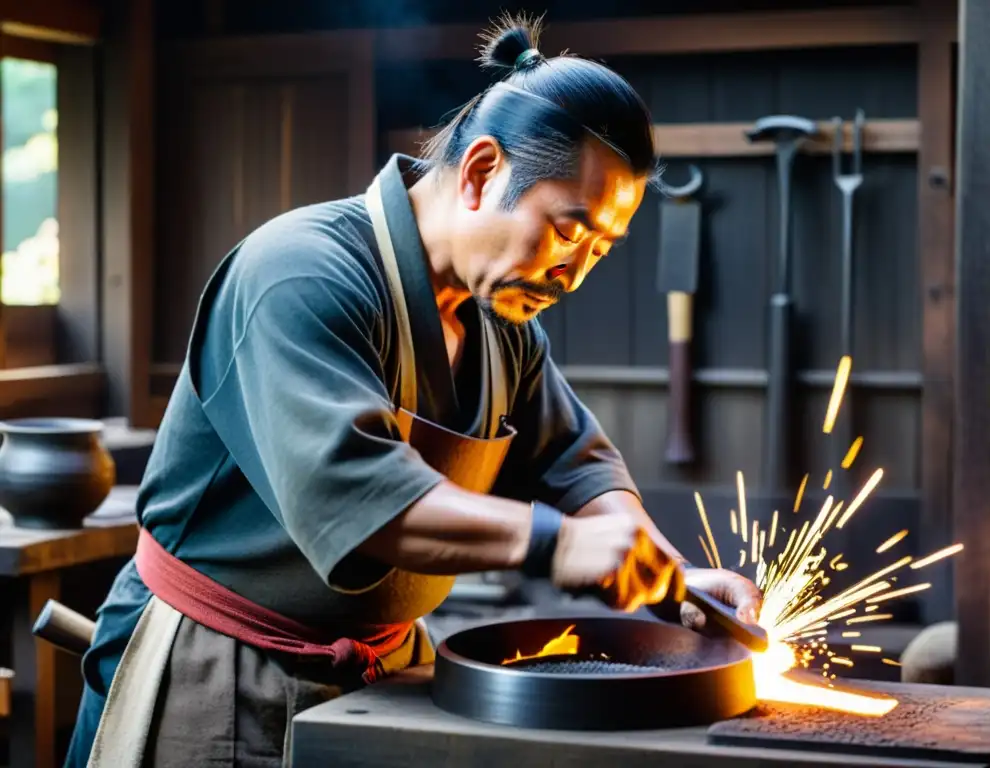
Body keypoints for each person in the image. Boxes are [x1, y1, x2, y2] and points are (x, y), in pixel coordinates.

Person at [66, 13, 761, 768]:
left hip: (390, 670)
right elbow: (355, 497)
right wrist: (555, 544)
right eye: (568, 232)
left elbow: (576, 465)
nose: (576, 274)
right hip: (219, 670)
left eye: (600, 250)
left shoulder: (503, 325)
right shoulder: (299, 273)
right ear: (482, 172)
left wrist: (666, 574)